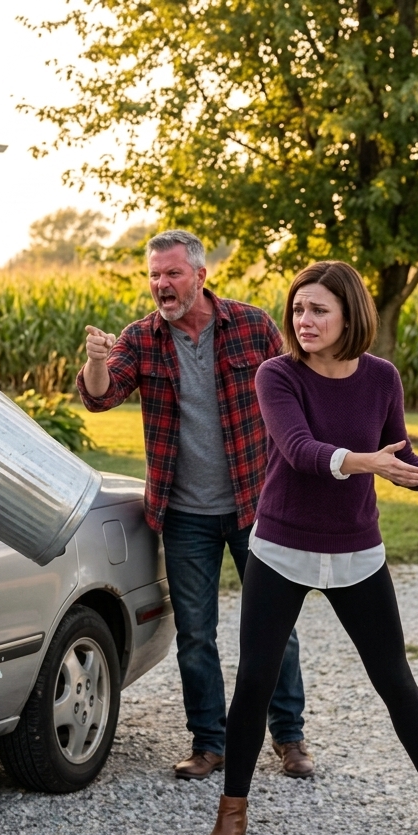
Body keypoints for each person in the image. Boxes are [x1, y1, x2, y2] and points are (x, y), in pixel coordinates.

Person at [202, 260, 418, 835]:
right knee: (254, 680)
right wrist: (366, 461)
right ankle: (233, 810)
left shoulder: (381, 377)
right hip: (280, 548)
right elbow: (301, 451)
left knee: (395, 681)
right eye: (299, 309)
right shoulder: (277, 375)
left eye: (319, 309)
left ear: (349, 314)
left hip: (357, 551)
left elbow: (399, 454)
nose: (304, 320)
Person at [76, 230, 312, 782]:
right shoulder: (139, 339)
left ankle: (290, 738)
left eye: (172, 273)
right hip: (183, 516)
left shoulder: (253, 326)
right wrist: (94, 361)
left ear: (201, 275)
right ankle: (210, 743)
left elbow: (298, 393)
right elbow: (99, 396)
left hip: (259, 506)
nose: (162, 285)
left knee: (276, 627)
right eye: (154, 275)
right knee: (196, 635)